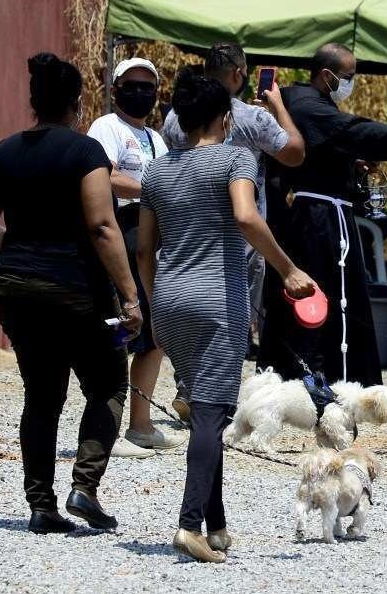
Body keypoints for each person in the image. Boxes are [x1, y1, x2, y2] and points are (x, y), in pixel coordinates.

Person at [136, 71, 315, 563]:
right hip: (218, 300)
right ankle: (189, 525)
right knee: (211, 413)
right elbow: (245, 216)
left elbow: (145, 249)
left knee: (205, 411)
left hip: (169, 300)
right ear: (226, 118)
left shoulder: (156, 171)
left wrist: (154, 302)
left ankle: (215, 524)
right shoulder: (236, 157)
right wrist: (288, 269)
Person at [0, 53, 143, 534]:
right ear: (77, 102)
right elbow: (102, 226)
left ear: (34, 101)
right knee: (108, 385)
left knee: (42, 396)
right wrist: (130, 297)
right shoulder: (86, 153)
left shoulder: (3, 152)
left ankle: (41, 506)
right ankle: (84, 488)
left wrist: (19, 245)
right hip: (76, 291)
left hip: (17, 291)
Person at [259, 42, 387, 386]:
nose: (352, 82)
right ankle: (324, 380)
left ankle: (324, 378)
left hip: (321, 212)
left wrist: (351, 163)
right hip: (319, 217)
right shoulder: (307, 105)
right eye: (348, 76)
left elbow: (325, 149)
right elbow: (353, 130)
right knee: (327, 297)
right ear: (326, 75)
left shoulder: (307, 103)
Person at [160, 42, 305, 418]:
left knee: (188, 313)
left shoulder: (175, 116)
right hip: (241, 240)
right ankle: (215, 399)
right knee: (233, 320)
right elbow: (295, 152)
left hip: (185, 234)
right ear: (240, 74)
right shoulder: (250, 117)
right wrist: (278, 106)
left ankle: (188, 383)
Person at [87, 57, 179, 458]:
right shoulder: (106, 127)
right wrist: (153, 188)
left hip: (150, 239)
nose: (140, 93)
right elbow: (105, 177)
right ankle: (104, 431)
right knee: (118, 334)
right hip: (119, 235)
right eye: (132, 85)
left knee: (152, 337)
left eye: (148, 86)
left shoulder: (157, 138)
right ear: (116, 88)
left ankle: (141, 426)